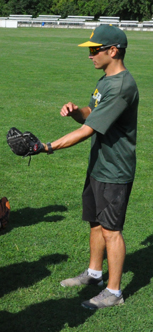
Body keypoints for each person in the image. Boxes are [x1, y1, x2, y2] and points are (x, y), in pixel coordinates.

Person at [40, 25, 139, 309]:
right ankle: (95, 274)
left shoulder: (122, 86)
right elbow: (90, 115)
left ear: (113, 51)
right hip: (99, 164)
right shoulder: (105, 80)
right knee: (95, 222)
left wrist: (47, 147)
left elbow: (89, 131)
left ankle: (114, 292)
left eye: (95, 50)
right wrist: (76, 112)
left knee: (111, 230)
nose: (90, 55)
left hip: (115, 170)